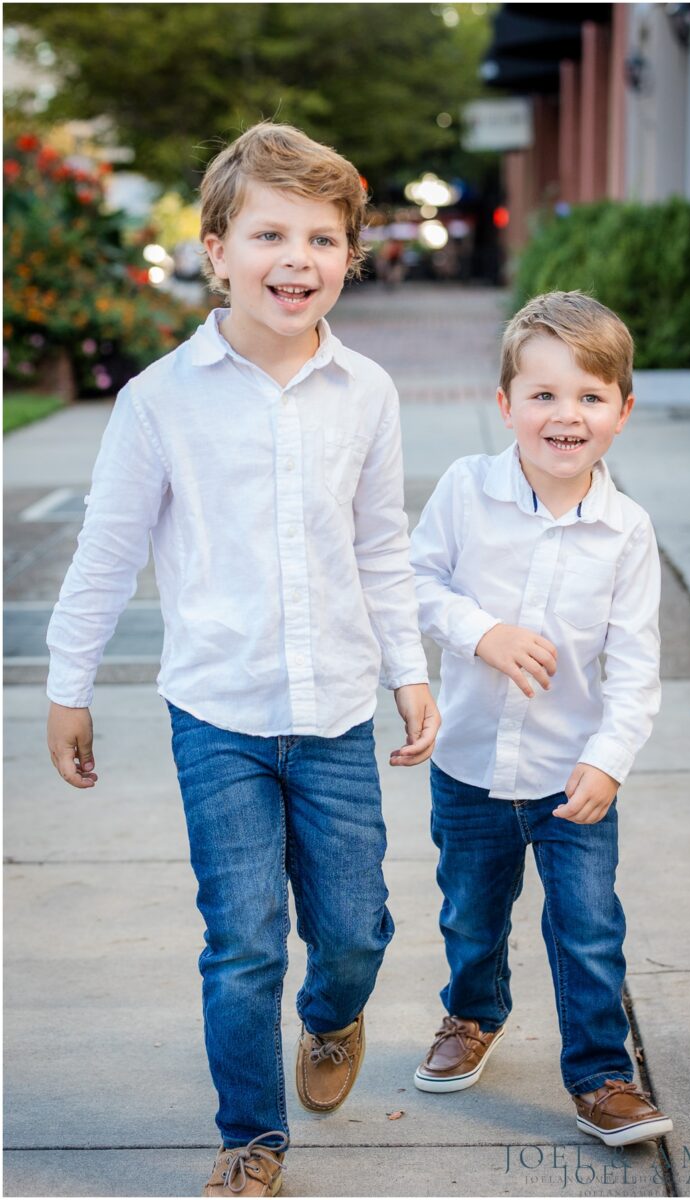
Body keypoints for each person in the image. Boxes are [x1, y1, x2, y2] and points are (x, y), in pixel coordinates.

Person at [45, 121, 440, 1197]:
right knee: (244, 938)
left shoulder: (366, 394)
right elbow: (108, 552)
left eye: (323, 237)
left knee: (352, 928)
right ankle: (250, 1139)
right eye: (270, 233)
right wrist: (66, 685)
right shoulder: (159, 401)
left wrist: (408, 669)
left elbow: (379, 546)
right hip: (215, 714)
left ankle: (334, 1016)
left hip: (334, 714)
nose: (297, 260)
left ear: (350, 256)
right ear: (215, 248)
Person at [409, 291, 672, 1148]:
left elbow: (635, 670)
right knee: (471, 916)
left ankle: (601, 1075)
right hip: (472, 766)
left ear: (623, 412)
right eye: (545, 395)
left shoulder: (626, 531)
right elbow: (413, 584)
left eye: (591, 397)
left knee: (588, 926)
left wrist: (611, 760)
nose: (568, 416)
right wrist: (481, 633)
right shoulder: (465, 491)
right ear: (506, 405)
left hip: (573, 774)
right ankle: (472, 1014)